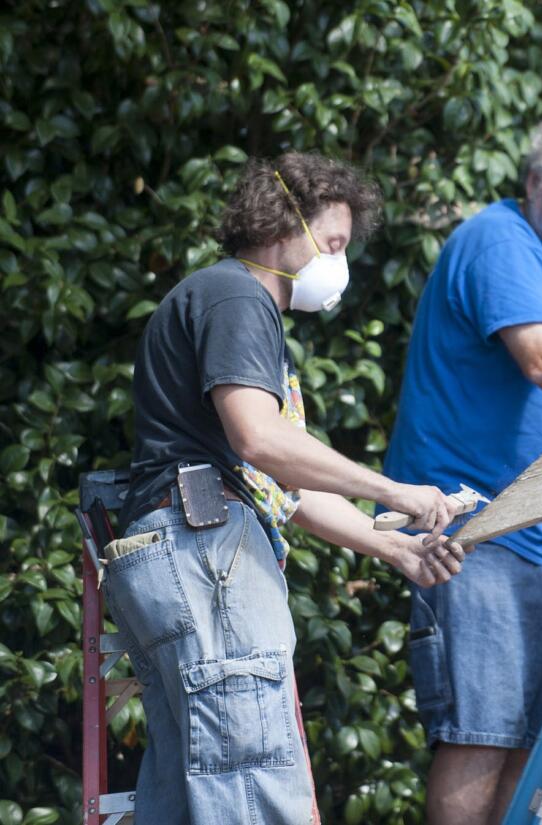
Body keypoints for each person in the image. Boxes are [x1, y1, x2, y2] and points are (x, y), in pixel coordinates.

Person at [109, 152, 468, 824]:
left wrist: (393, 548)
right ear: (283, 222)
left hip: (179, 548)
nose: (339, 262)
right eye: (332, 242)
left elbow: (281, 483)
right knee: (252, 786)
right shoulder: (239, 297)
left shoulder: (225, 303)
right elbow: (261, 440)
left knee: (195, 795)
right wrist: (395, 490)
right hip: (206, 552)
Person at [382, 112, 542, 825]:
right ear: (533, 182)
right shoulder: (500, 239)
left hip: (541, 545)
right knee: (482, 738)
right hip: (476, 531)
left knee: (527, 748)